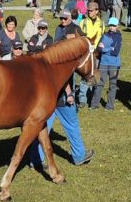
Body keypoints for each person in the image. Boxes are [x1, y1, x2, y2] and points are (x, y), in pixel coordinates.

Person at [30, 23, 94, 167]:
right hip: (61, 99)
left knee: (42, 128)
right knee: (72, 125)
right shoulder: (67, 56)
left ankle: (36, 159)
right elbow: (63, 79)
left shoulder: (54, 51)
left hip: (47, 98)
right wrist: (69, 94)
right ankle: (79, 155)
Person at [90, 17, 122, 110]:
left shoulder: (119, 37)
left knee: (113, 85)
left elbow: (115, 52)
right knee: (99, 83)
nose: (111, 27)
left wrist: (104, 48)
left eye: (114, 25)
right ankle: (94, 105)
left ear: (117, 26)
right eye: (110, 25)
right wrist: (109, 48)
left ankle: (110, 106)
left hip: (114, 64)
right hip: (103, 62)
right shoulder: (104, 35)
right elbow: (98, 49)